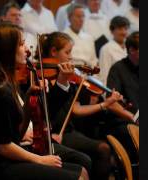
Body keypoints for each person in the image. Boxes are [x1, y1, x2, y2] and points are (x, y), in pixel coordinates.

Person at [0, 23, 89, 180]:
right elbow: (3, 146)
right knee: (77, 176)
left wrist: (29, 105)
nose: (28, 50)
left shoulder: (6, 82)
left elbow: (16, 134)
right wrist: (40, 160)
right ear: (7, 50)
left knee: (82, 171)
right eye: (22, 44)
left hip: (11, 155)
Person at [36, 31, 124, 180]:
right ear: (53, 52)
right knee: (101, 150)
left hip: (66, 131)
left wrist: (105, 104)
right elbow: (45, 111)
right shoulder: (39, 76)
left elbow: (75, 109)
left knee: (103, 147)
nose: (71, 57)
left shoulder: (68, 78)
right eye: (67, 52)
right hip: (50, 133)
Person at [106, 31, 139, 166]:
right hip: (123, 122)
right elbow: (112, 104)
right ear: (131, 50)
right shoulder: (117, 69)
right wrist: (133, 118)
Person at [64, 3, 98, 68]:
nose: (81, 19)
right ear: (69, 18)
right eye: (78, 16)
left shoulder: (89, 38)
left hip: (88, 73)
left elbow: (93, 61)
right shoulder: (62, 37)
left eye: (83, 16)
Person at [99, 16, 130, 86]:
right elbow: (104, 74)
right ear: (112, 30)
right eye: (120, 29)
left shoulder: (130, 47)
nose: (124, 32)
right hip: (115, 87)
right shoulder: (106, 49)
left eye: (125, 29)